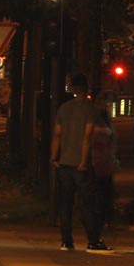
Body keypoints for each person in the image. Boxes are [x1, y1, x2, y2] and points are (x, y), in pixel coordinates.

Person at [50, 72, 112, 253]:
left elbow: (57, 135)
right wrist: (84, 161)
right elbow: (87, 137)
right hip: (80, 165)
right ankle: (93, 241)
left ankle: (66, 241)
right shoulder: (90, 110)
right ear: (86, 89)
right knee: (87, 203)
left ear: (73, 90)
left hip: (63, 163)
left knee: (65, 203)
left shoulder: (63, 109)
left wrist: (54, 158)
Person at [86, 91, 118, 237]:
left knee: (103, 192)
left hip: (102, 162)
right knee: (102, 192)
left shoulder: (98, 118)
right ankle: (101, 219)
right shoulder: (99, 119)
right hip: (100, 162)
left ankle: (102, 218)